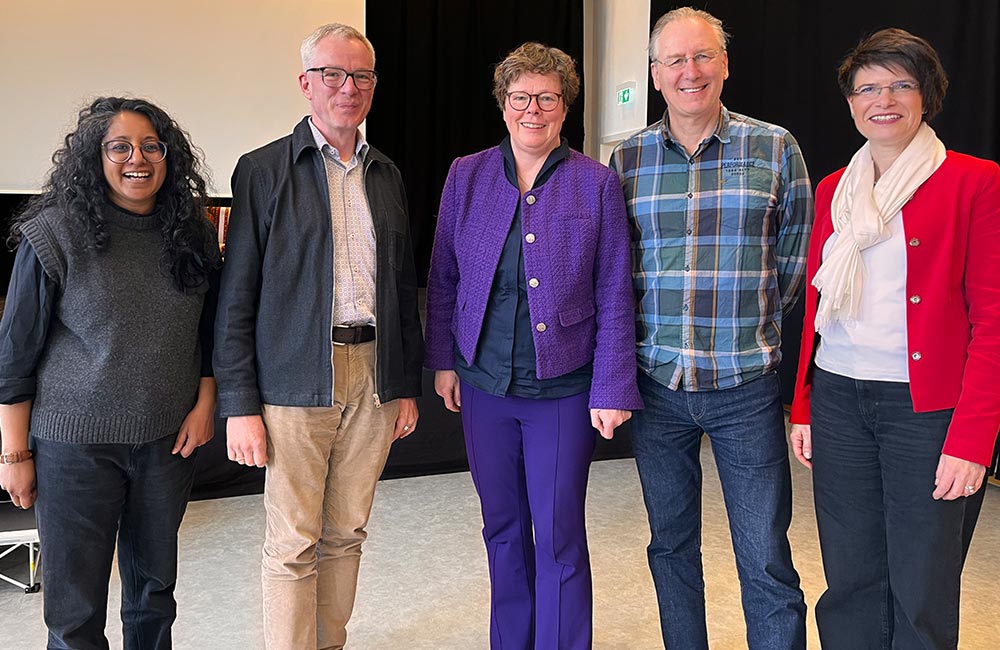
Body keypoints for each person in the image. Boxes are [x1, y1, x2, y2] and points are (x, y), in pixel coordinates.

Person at [424, 42, 641, 650]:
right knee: (502, 529)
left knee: (559, 535)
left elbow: (615, 289)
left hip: (563, 389)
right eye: (520, 98)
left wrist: (612, 386)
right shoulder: (466, 175)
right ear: (503, 105)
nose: (533, 110)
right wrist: (443, 360)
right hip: (484, 384)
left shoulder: (596, 183)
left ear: (565, 107)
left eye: (547, 98)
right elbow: (443, 275)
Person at [789, 28, 1000, 649]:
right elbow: (818, 310)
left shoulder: (974, 181)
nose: (883, 100)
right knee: (850, 577)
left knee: (921, 583)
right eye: (867, 88)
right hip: (838, 399)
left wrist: (973, 439)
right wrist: (803, 404)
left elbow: (993, 320)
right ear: (851, 102)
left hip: (926, 411)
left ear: (926, 95)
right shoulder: (834, 189)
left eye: (901, 84)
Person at [214, 23, 423, 650]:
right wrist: (239, 405)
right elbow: (236, 296)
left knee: (346, 532)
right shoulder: (263, 170)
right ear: (306, 83)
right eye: (332, 74)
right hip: (295, 375)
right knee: (293, 541)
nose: (347, 87)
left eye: (361, 76)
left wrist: (404, 386)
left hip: (375, 376)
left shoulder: (386, 173)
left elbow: (401, 284)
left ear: (374, 86)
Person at [608, 7, 812, 649]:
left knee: (765, 554)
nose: (689, 71)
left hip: (745, 386)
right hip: (657, 385)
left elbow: (794, 263)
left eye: (701, 56)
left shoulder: (775, 147)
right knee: (670, 546)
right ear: (655, 74)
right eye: (675, 60)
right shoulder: (627, 158)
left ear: (724, 64)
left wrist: (747, 328)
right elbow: (617, 270)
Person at [0, 97, 219, 649]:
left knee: (153, 597)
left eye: (150, 146)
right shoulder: (54, 234)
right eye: (118, 147)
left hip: (166, 444)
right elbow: (15, 357)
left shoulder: (190, 233)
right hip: (74, 450)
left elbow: (211, 329)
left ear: (169, 157)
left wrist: (205, 402)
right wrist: (14, 455)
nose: (136, 159)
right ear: (93, 157)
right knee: (75, 610)